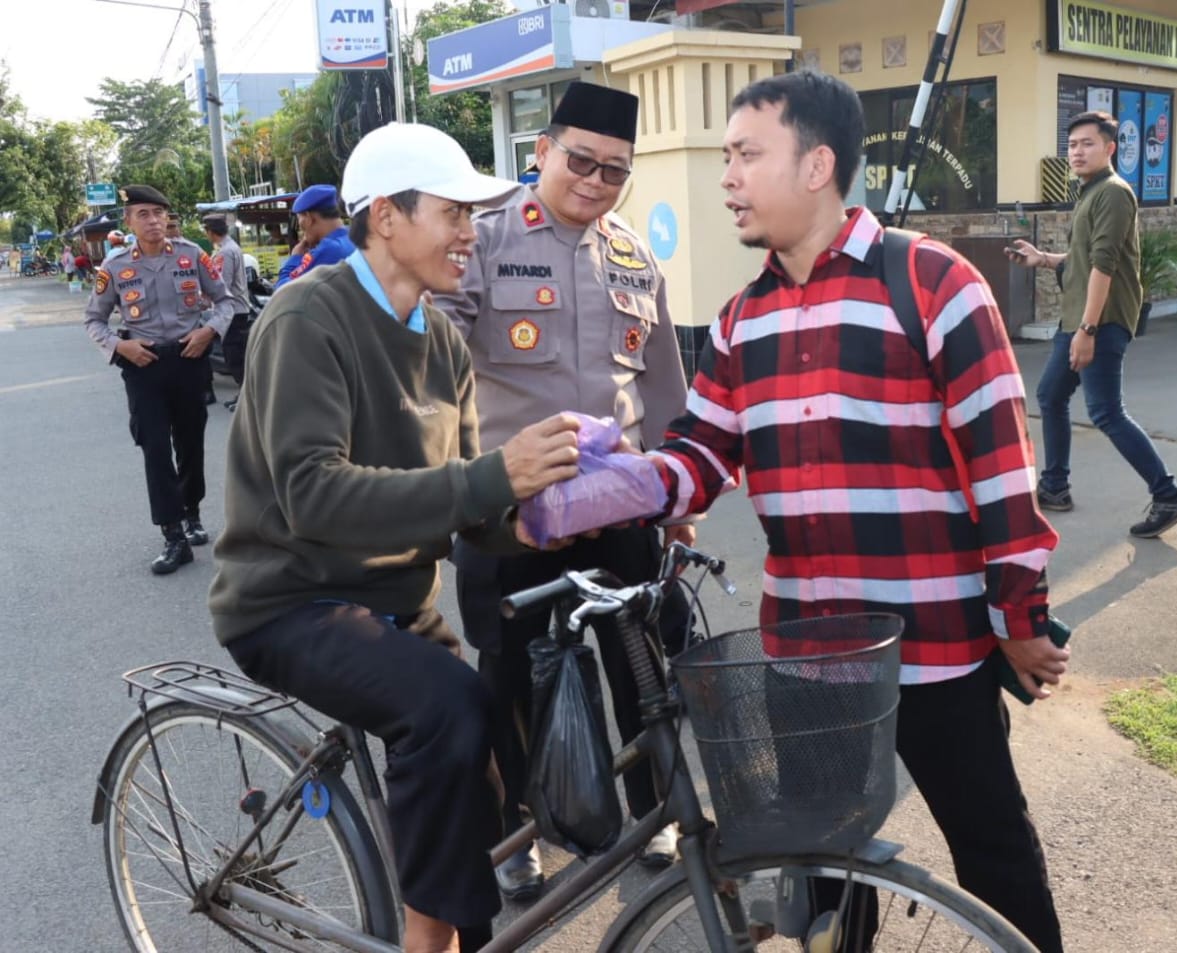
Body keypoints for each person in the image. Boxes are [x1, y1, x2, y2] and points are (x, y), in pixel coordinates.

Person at [635, 71, 1069, 952]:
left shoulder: (933, 283)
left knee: (992, 850)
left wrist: (1018, 618)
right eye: (726, 157)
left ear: (817, 164)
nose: (728, 178)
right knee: (820, 869)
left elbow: (1002, 473)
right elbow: (698, 458)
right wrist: (602, 484)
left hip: (938, 648)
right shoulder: (739, 320)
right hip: (808, 656)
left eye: (746, 155)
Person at [209, 121, 585, 953]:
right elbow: (312, 494)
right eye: (453, 213)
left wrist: (544, 515)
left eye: (472, 215)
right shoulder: (309, 317)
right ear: (386, 217)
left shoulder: (443, 336)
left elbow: (465, 505)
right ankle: (427, 945)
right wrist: (492, 478)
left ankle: (456, 927)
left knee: (501, 730)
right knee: (445, 706)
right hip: (291, 600)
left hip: (393, 602)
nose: (469, 233)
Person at [433, 80, 692, 900]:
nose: (595, 180)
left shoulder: (631, 254)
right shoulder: (484, 237)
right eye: (580, 159)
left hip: (616, 506)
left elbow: (662, 388)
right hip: (510, 511)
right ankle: (518, 834)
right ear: (540, 150)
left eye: (616, 170)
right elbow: (433, 369)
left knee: (638, 663)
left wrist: (676, 498)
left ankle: (656, 810)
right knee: (507, 676)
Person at [1007, 110, 1177, 539]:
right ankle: (1055, 487)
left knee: (1106, 411)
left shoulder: (1112, 192)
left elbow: (1104, 266)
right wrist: (1042, 258)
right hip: (1076, 318)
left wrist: (1087, 331)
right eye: (1072, 144)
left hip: (1100, 320)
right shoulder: (1090, 192)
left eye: (1087, 143)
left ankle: (1168, 494)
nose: (1077, 151)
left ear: (1110, 148)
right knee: (1051, 395)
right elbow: (1082, 260)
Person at [83, 184, 235, 573]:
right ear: (130, 222)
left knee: (190, 443)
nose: (154, 221)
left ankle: (192, 513)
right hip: (143, 366)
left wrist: (209, 332)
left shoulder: (191, 256)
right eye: (144, 214)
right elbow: (94, 319)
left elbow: (225, 300)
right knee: (155, 449)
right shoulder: (114, 267)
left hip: (189, 359)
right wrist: (120, 347)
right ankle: (172, 536)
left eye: (159, 213)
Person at [202, 214, 251, 410]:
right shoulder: (229, 248)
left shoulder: (225, 252)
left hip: (233, 310)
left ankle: (247, 396)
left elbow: (222, 284)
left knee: (234, 356)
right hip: (236, 309)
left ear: (211, 232)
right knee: (235, 354)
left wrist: (205, 299)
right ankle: (244, 393)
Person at [273, 183, 356, 288]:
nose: (303, 234)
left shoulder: (328, 249)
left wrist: (295, 257)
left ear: (308, 218)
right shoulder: (355, 237)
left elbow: (284, 291)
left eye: (301, 227)